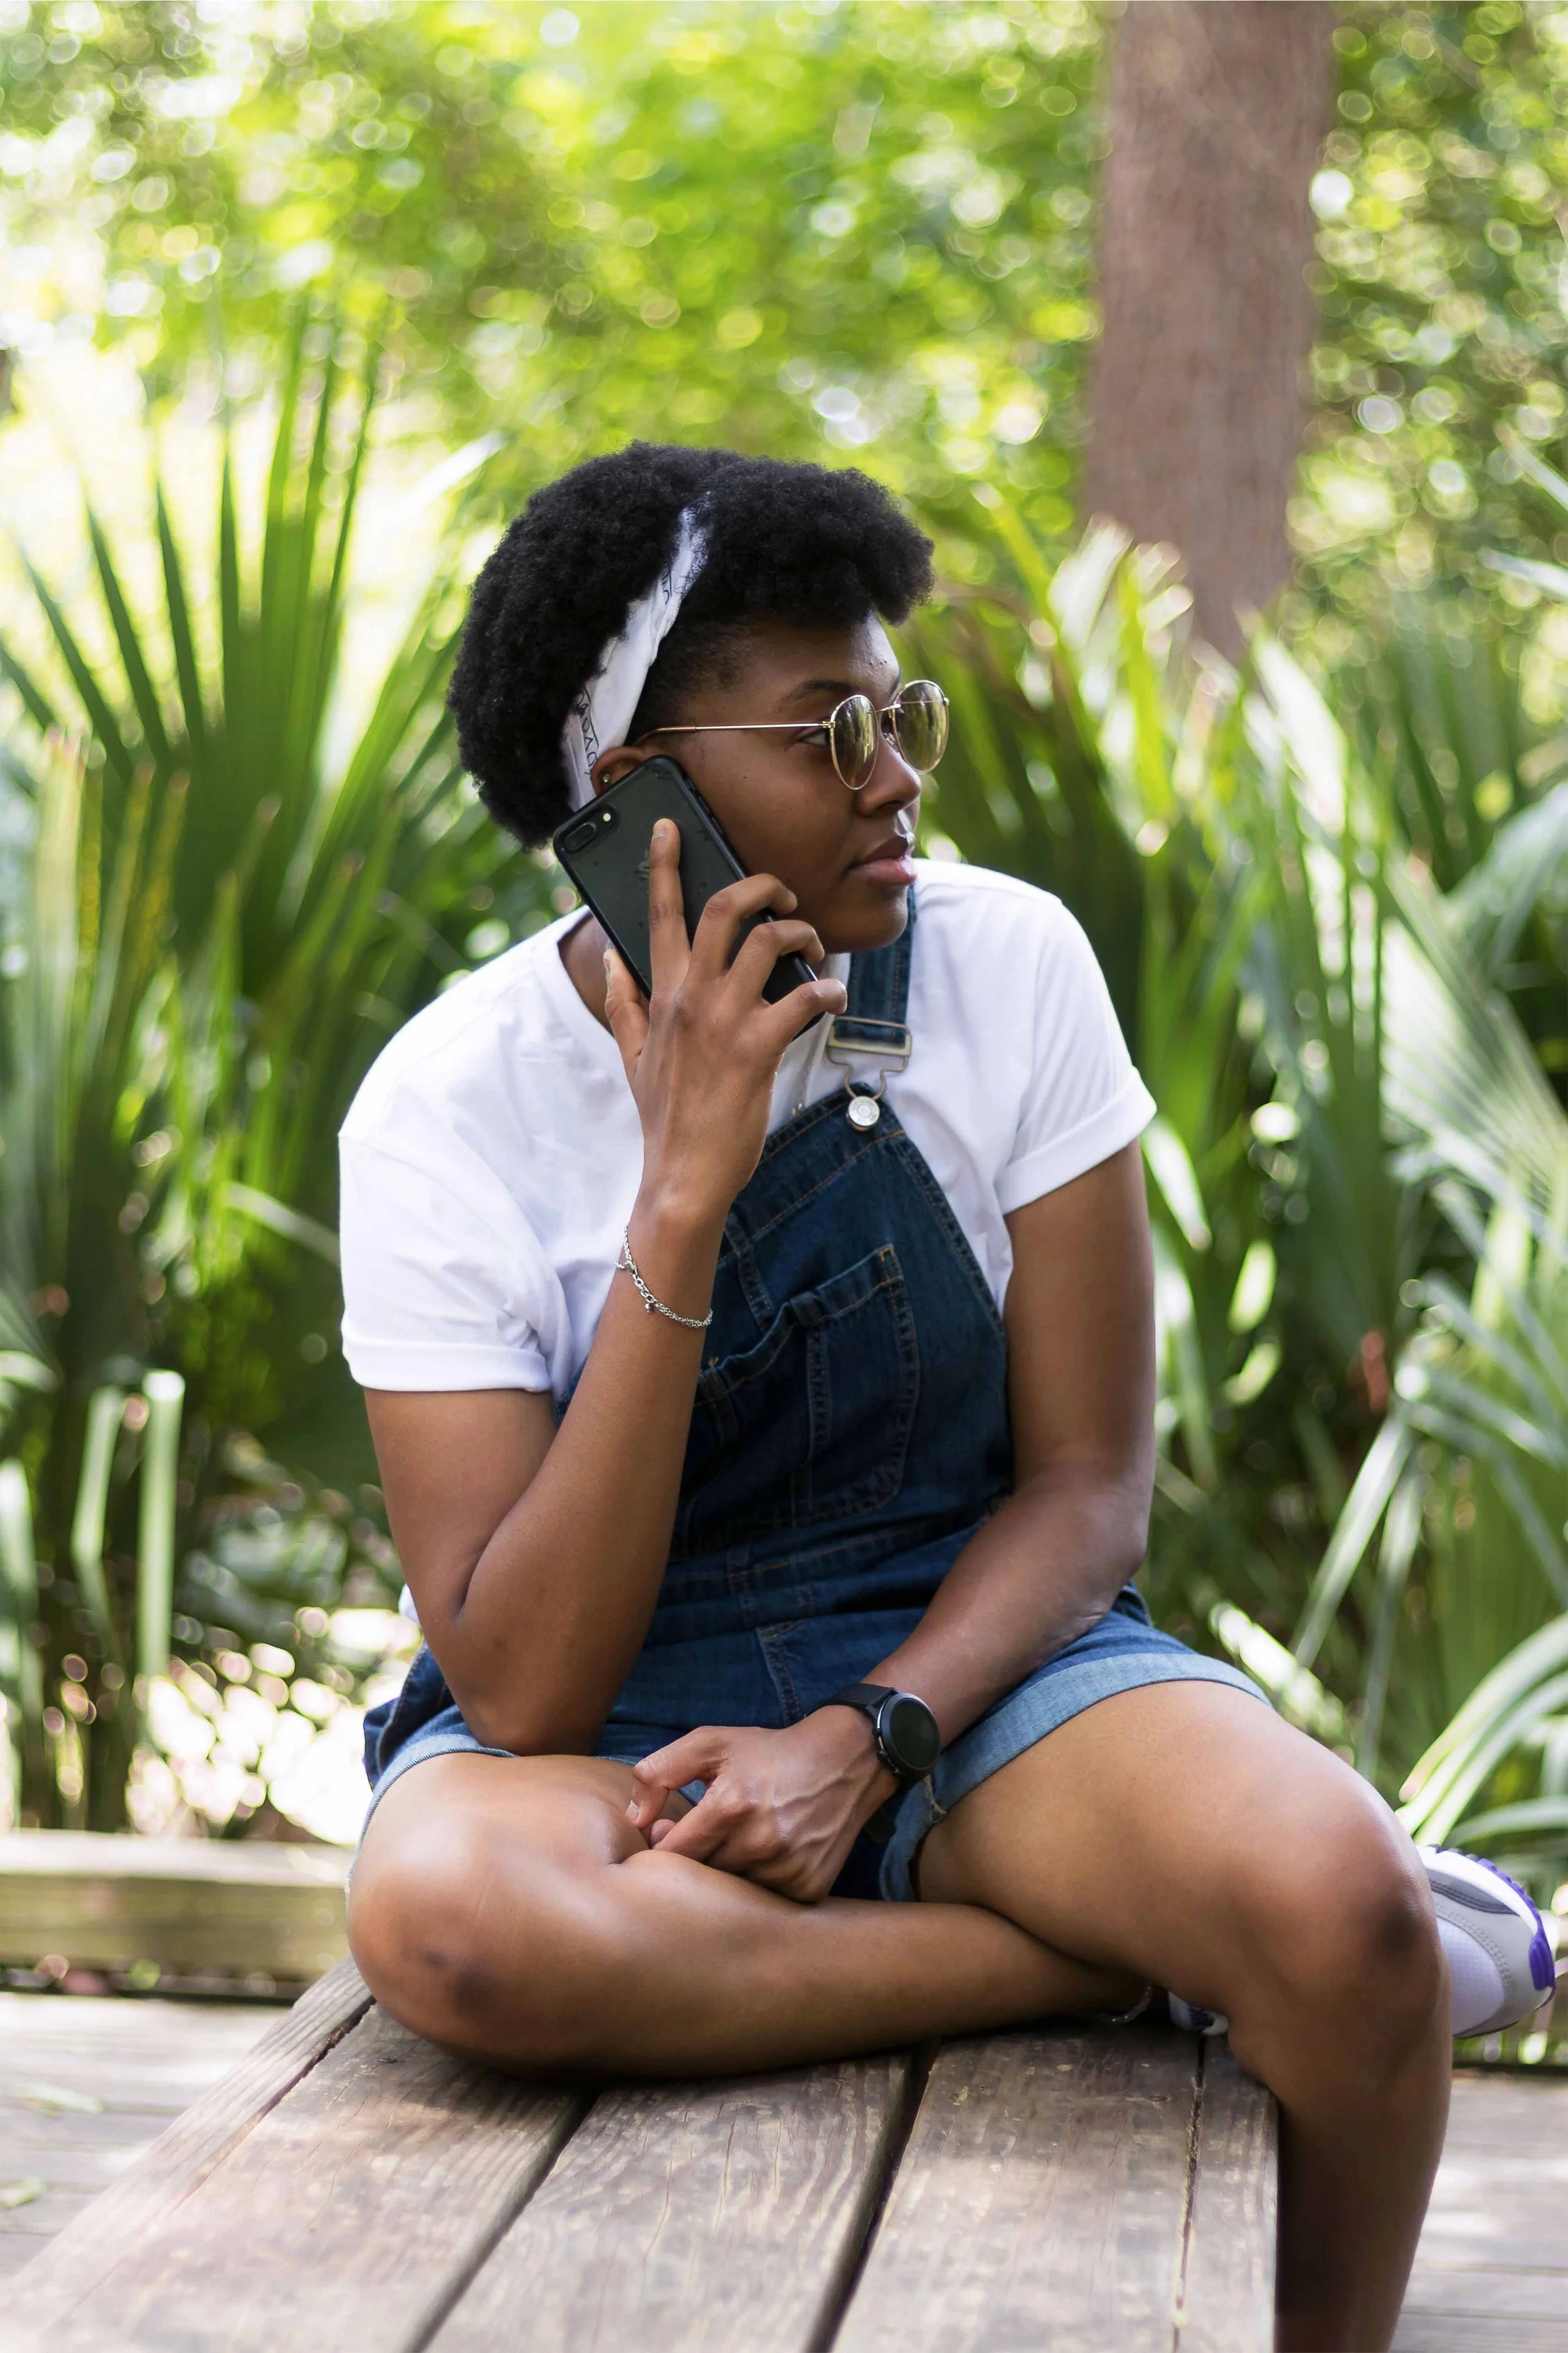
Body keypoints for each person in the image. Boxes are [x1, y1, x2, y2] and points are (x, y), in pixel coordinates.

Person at [341, 444, 1552, 2353]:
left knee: (1338, 1922)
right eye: (829, 724)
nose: (897, 772)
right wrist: (687, 1175)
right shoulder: (445, 1109)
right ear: (632, 794)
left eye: (895, 707)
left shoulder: (1006, 964)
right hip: (609, 1724)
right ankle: (1100, 1966)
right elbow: (524, 1686)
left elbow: (1086, 1489)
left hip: (967, 1665)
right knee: (455, 1934)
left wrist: (865, 1733)